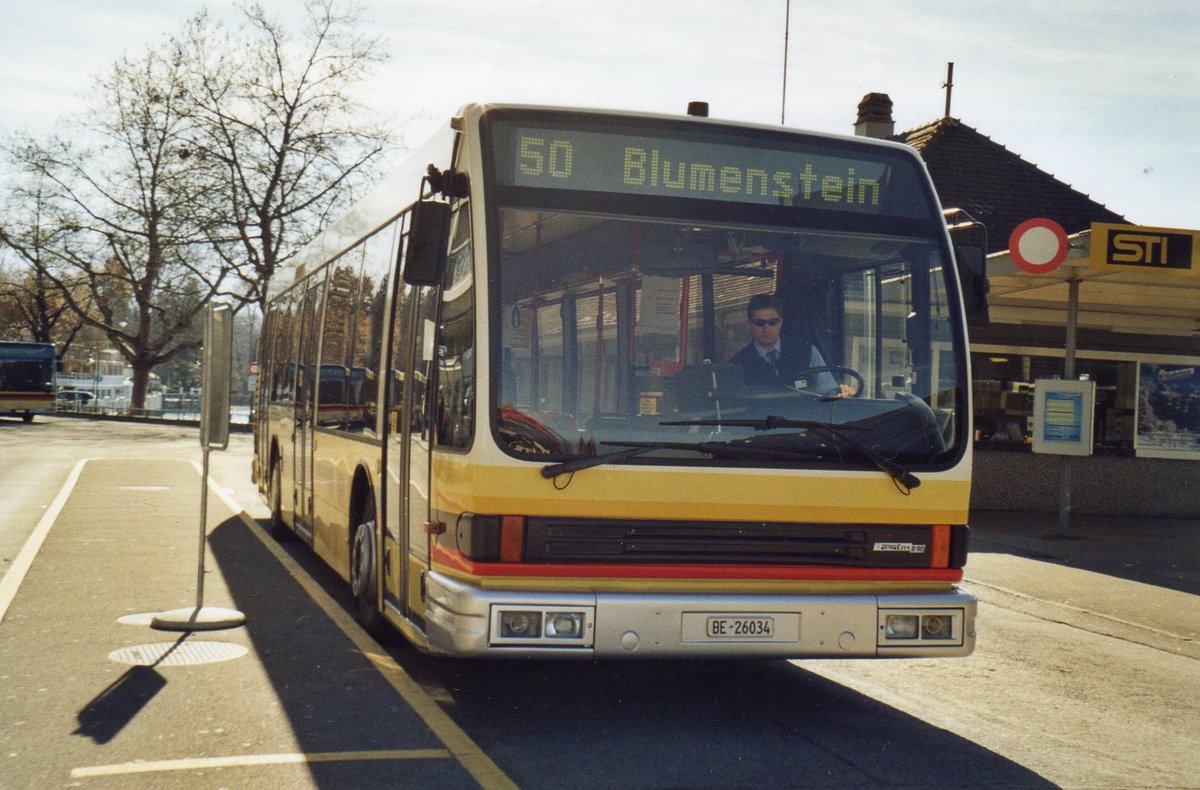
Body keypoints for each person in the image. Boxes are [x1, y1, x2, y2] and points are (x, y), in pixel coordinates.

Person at [728, 293, 852, 396]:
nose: (767, 328)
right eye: (760, 323)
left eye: (773, 322)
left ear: (781, 323)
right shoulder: (737, 364)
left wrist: (840, 394)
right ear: (749, 324)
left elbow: (829, 391)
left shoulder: (807, 351)